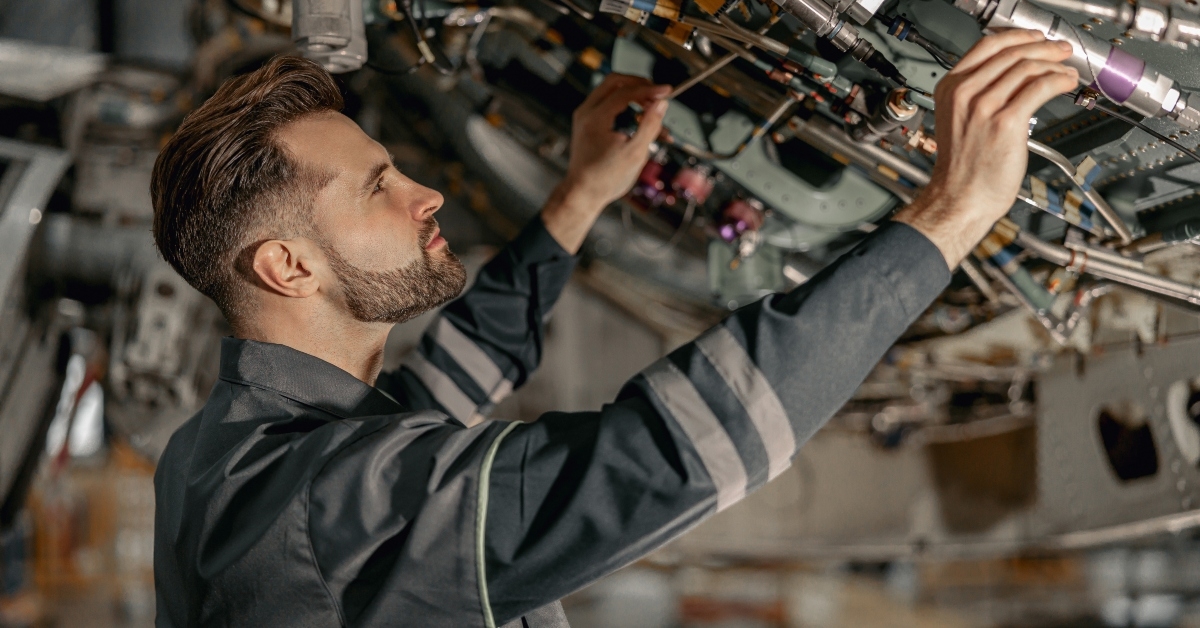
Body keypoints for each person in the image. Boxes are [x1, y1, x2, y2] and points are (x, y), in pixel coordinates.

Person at [150, 28, 1079, 627]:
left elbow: (446, 390)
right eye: (379, 188)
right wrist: (950, 214)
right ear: (289, 267)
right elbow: (657, 461)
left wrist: (582, 195)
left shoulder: (236, 454)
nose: (424, 193)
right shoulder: (315, 514)